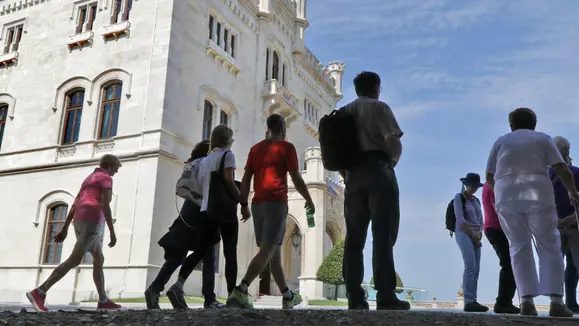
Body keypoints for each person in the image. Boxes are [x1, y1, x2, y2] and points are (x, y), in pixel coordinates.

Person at [485, 107, 579, 317]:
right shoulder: (543, 139)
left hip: (506, 193)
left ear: (512, 125)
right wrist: (572, 191)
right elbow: (561, 167)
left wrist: (500, 192)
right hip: (537, 191)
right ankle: (556, 301)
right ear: (534, 124)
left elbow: (489, 175)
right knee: (549, 243)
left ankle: (526, 301)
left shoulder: (501, 141)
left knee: (518, 246)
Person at [226, 113, 314, 309]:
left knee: (273, 253)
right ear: (283, 129)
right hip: (276, 203)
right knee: (267, 250)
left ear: (268, 129)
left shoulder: (255, 149)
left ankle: (287, 295)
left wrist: (244, 204)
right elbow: (296, 177)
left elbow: (247, 178)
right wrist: (308, 198)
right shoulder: (286, 147)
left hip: (257, 205)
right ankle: (241, 289)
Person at [339, 71, 408, 311]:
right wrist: (391, 163)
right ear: (376, 88)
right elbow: (393, 141)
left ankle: (354, 294)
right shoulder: (380, 108)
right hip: (378, 171)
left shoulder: (344, 111)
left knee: (354, 236)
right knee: (383, 234)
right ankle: (385, 294)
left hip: (352, 175)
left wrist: (347, 174)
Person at [164, 125, 248, 308]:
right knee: (230, 254)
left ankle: (178, 284)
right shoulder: (228, 155)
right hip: (225, 212)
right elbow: (228, 180)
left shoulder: (205, 160)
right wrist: (243, 201)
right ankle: (232, 296)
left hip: (207, 211)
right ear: (228, 140)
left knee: (200, 251)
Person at [26, 154, 123, 312]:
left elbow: (75, 203)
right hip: (91, 223)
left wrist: (65, 227)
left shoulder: (89, 178)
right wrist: (112, 231)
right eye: (116, 169)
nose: (115, 173)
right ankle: (39, 292)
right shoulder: (106, 178)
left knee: (99, 259)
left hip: (79, 220)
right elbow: (105, 205)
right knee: (74, 260)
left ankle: (103, 300)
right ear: (110, 167)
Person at [145, 140, 224, 309]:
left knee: (178, 254)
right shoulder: (209, 165)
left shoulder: (193, 164)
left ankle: (155, 288)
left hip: (188, 211)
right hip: (203, 212)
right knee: (209, 256)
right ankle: (209, 298)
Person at [549, 136, 579, 313]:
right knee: (570, 265)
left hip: (559, 225)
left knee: (558, 263)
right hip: (569, 225)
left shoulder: (545, 174)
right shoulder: (574, 172)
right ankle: (567, 302)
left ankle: (561, 302)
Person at [452, 173, 488, 312]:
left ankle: (473, 299)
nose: (474, 188)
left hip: (475, 236)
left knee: (476, 268)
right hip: (464, 234)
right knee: (470, 266)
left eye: (476, 186)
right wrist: (473, 236)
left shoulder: (476, 201)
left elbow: (480, 220)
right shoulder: (459, 198)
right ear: (467, 185)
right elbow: (461, 221)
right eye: (472, 186)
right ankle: (469, 300)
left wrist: (479, 234)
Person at [482, 180, 519, 314]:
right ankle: (503, 302)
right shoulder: (493, 184)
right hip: (497, 229)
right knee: (508, 264)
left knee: (509, 264)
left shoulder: (491, 184)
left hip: (496, 228)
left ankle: (505, 301)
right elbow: (500, 208)